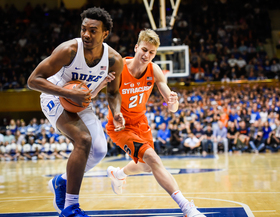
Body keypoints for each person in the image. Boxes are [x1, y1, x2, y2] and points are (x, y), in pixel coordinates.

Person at [27, 7, 125, 217]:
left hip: (81, 101)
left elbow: (114, 92)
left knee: (99, 150)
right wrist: (67, 93)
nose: (86, 35)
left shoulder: (114, 60)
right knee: (83, 139)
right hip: (54, 96)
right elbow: (33, 80)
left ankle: (61, 181)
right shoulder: (70, 49)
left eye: (93, 30)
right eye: (83, 29)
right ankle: (71, 208)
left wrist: (116, 111)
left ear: (105, 33)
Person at [105, 29, 205, 217]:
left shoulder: (154, 70)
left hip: (141, 124)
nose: (146, 55)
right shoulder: (119, 67)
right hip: (120, 126)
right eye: (144, 50)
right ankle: (187, 207)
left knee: (147, 166)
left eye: (151, 52)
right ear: (136, 47)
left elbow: (171, 106)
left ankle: (118, 174)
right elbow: (102, 90)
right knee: (153, 158)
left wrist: (173, 102)